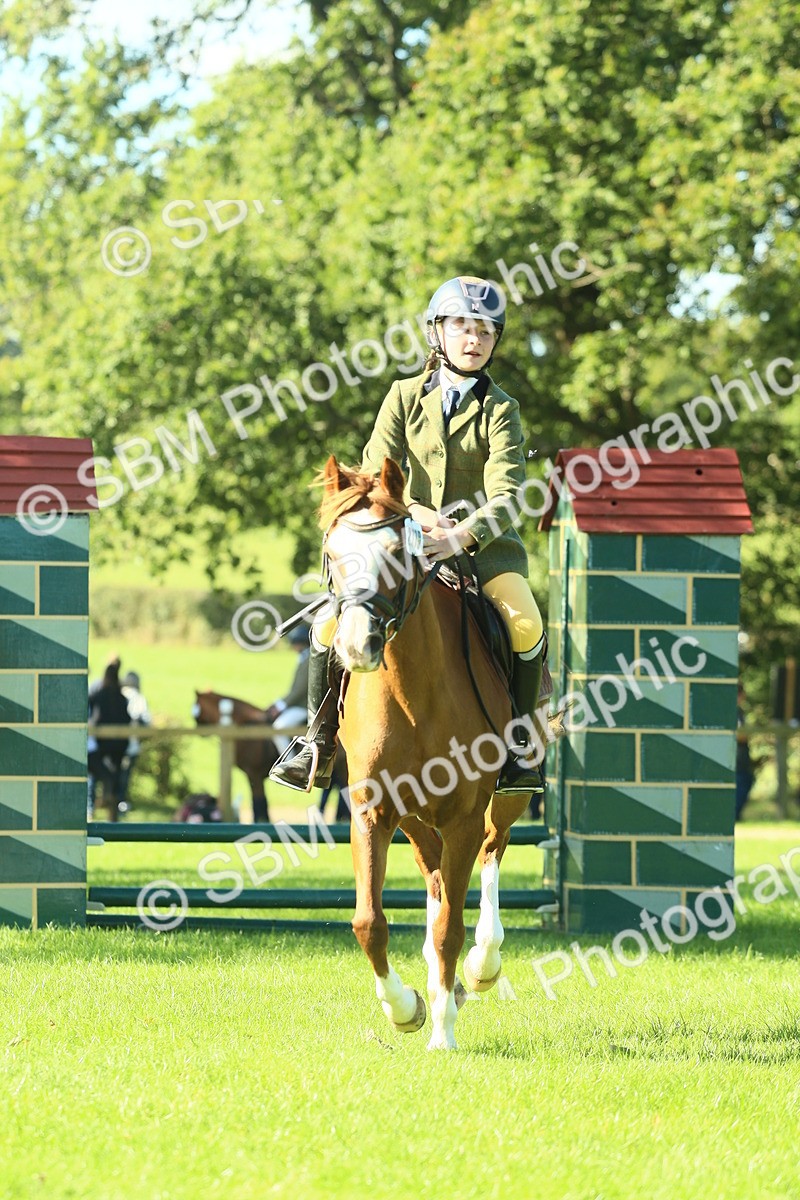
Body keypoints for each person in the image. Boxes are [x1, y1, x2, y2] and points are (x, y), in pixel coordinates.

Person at [271, 274, 546, 797]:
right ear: (437, 333)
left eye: (485, 332)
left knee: (526, 626)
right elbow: (376, 473)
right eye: (463, 327)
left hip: (484, 556)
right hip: (404, 549)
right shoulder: (402, 396)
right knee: (329, 625)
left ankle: (516, 749)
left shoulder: (502, 409)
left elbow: (508, 495)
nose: (473, 339)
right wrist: (420, 516)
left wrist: (461, 535)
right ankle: (316, 742)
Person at [87, 660, 132, 818]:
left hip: (100, 746)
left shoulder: (98, 696)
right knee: (112, 778)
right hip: (118, 746)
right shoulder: (121, 698)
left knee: (98, 779)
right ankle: (111, 815)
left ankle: (94, 808)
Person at [266, 624, 311, 754]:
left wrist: (280, 706)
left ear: (300, 643)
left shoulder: (309, 660)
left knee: (279, 729)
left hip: (304, 707)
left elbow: (300, 690)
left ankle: (289, 763)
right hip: (299, 705)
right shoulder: (304, 658)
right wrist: (277, 702)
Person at [116, 670, 151, 814]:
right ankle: (120, 801)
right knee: (125, 777)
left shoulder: (117, 695)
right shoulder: (139, 698)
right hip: (131, 744)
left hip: (115, 743)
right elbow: (146, 721)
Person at [736, 682, 754, 820]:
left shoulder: (739, 711)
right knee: (742, 783)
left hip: (741, 759)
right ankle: (734, 815)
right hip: (737, 760)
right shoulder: (733, 711)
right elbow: (740, 735)